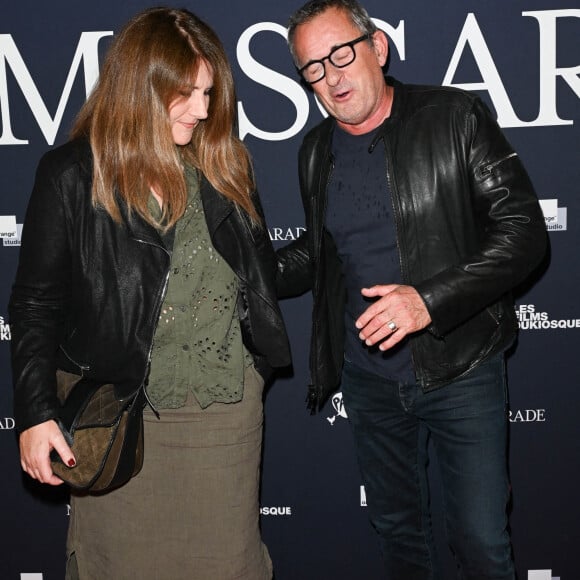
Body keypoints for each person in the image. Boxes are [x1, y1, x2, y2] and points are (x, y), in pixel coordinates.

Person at [9, 7, 291, 579]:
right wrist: (36, 413)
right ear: (141, 88)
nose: (204, 109)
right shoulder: (72, 174)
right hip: (121, 413)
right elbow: (36, 304)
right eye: (185, 93)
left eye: (210, 92)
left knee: (227, 565)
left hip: (224, 416)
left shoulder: (224, 165)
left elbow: (253, 273)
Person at [276, 1, 548, 578]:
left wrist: (429, 300)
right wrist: (239, 272)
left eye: (341, 54)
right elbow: (317, 255)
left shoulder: (454, 116)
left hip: (462, 366)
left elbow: (524, 232)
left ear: (377, 48)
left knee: (480, 544)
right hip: (369, 380)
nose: (332, 75)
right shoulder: (314, 151)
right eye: (313, 68)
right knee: (399, 538)